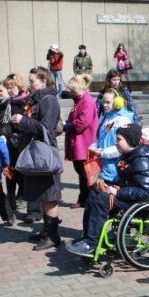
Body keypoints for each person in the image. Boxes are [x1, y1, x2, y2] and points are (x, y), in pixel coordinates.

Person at [66, 124, 149, 256]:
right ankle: (87, 238)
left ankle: (91, 243)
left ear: (130, 140)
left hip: (141, 203)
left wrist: (117, 191)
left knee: (101, 199)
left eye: (119, 139)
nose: (115, 142)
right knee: (94, 194)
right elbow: (129, 181)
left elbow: (146, 191)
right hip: (130, 196)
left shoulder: (142, 160)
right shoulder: (128, 155)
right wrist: (108, 186)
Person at [10, 66, 63, 250]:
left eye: (33, 80)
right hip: (37, 153)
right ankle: (46, 231)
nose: (30, 83)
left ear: (43, 81)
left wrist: (23, 121)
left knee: (49, 195)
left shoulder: (49, 100)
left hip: (45, 153)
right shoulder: (37, 99)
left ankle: (53, 235)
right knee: (42, 194)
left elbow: (45, 128)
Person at [0, 73, 31, 214]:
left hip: (24, 143)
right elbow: (7, 123)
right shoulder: (9, 103)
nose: (9, 90)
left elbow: (30, 123)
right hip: (11, 143)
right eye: (7, 88)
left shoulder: (27, 101)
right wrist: (2, 134)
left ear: (19, 86)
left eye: (11, 87)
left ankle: (23, 196)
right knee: (9, 170)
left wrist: (19, 127)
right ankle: (10, 197)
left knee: (22, 172)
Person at [63, 74, 98, 209]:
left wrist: (66, 126)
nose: (70, 93)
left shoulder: (87, 101)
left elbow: (82, 122)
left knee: (86, 174)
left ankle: (95, 199)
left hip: (84, 143)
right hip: (78, 143)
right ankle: (84, 199)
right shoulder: (79, 101)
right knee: (82, 173)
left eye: (73, 90)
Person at [88, 89, 134, 185]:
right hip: (102, 170)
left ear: (117, 103)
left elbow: (123, 148)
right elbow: (99, 138)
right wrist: (93, 146)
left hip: (116, 172)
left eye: (108, 102)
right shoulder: (104, 117)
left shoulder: (123, 120)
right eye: (103, 102)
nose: (104, 105)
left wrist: (102, 153)